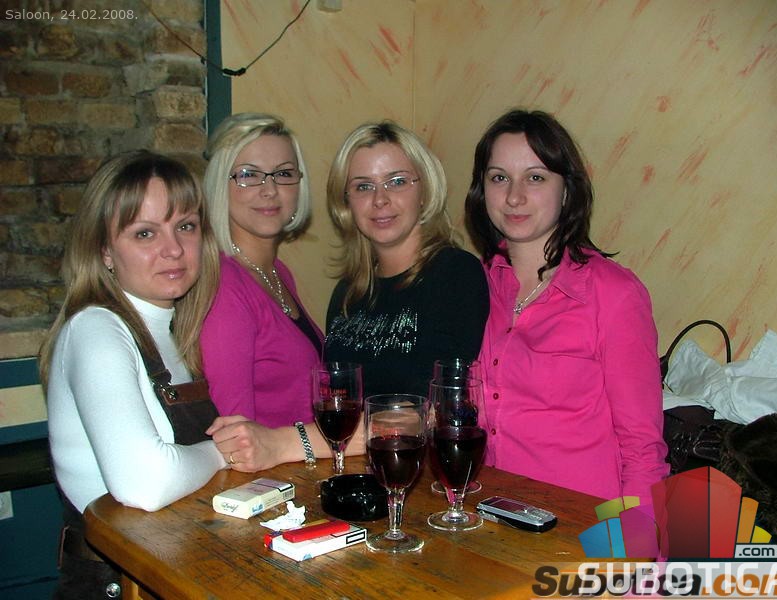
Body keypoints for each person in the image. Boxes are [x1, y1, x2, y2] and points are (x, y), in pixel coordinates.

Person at [41, 151, 227, 598]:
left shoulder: (172, 333)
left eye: (186, 226)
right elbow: (145, 484)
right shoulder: (96, 328)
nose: (173, 249)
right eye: (145, 233)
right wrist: (224, 451)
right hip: (114, 585)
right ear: (104, 251)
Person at [464, 109, 669, 505]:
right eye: (499, 177)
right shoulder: (473, 286)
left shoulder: (614, 294)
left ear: (567, 190)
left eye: (535, 177)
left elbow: (643, 450)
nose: (514, 196)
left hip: (582, 526)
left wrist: (635, 541)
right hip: (487, 515)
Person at [200, 113, 358, 470]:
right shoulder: (224, 286)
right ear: (219, 184)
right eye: (248, 175)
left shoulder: (275, 272)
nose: (269, 189)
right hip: (269, 489)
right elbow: (236, 440)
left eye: (284, 174)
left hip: (303, 477)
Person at [325, 121, 489, 397]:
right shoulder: (346, 294)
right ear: (346, 203)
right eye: (363, 186)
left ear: (424, 191)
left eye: (397, 182)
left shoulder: (455, 274)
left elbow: (441, 399)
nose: (380, 199)